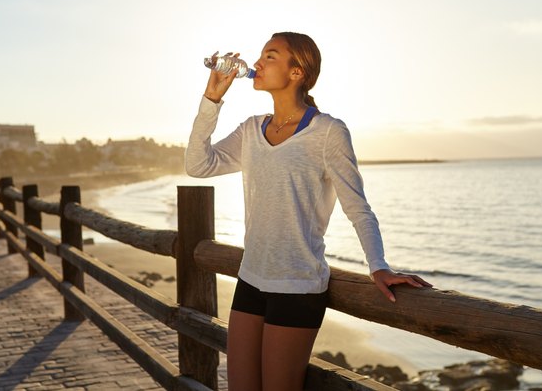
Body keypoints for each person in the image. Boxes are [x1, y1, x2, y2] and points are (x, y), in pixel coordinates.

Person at [185, 32, 432, 391]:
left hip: (297, 285)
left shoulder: (328, 132)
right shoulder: (251, 130)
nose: (256, 64)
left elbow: (357, 206)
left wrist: (378, 265)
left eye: (270, 56)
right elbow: (198, 165)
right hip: (251, 278)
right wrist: (211, 100)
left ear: (297, 72)